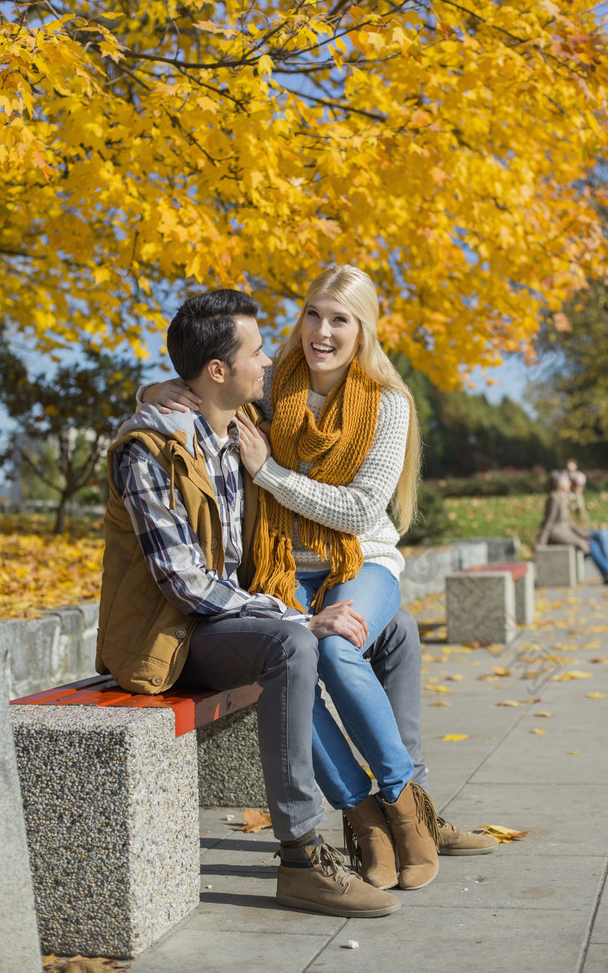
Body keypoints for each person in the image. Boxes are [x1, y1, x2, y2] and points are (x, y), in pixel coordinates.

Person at [142, 265, 498, 890]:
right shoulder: (274, 383)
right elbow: (209, 382)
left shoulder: (389, 403)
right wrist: (151, 391)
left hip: (363, 560)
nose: (322, 331)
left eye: (339, 319)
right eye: (312, 314)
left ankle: (402, 805)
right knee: (289, 660)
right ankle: (362, 815)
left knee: (336, 645)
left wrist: (268, 472)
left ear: (364, 329)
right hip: (282, 567)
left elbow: (363, 509)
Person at [96, 289, 401, 918]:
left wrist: (154, 384)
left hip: (223, 620)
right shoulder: (147, 452)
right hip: (167, 636)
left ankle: (405, 807)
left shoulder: (237, 429)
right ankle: (301, 857)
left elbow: (304, 399)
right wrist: (297, 614)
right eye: (257, 353)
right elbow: (183, 582)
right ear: (217, 371)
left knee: (391, 629)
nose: (269, 363)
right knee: (292, 642)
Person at [536, 470, 608, 583]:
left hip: (566, 532)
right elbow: (549, 521)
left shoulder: (562, 497)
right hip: (557, 534)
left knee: (592, 543)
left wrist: (582, 534)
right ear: (560, 484)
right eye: (567, 482)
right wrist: (541, 542)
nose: (569, 484)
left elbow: (569, 522)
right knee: (589, 544)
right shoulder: (554, 497)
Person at [567, 468, 608, 581]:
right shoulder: (567, 499)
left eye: (582, 485)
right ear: (570, 484)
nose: (579, 487)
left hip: (585, 530)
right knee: (602, 536)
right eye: (576, 484)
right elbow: (567, 522)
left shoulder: (578, 498)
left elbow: (584, 521)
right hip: (578, 533)